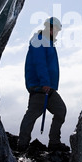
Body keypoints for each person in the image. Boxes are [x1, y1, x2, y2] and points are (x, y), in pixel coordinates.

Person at [17, 17, 69, 152]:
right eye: (55, 29)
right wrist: (45, 82)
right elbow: (40, 63)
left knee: (60, 110)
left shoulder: (47, 42)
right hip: (40, 85)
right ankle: (22, 144)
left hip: (47, 87)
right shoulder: (39, 41)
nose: (57, 32)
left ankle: (54, 142)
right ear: (49, 27)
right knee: (33, 113)